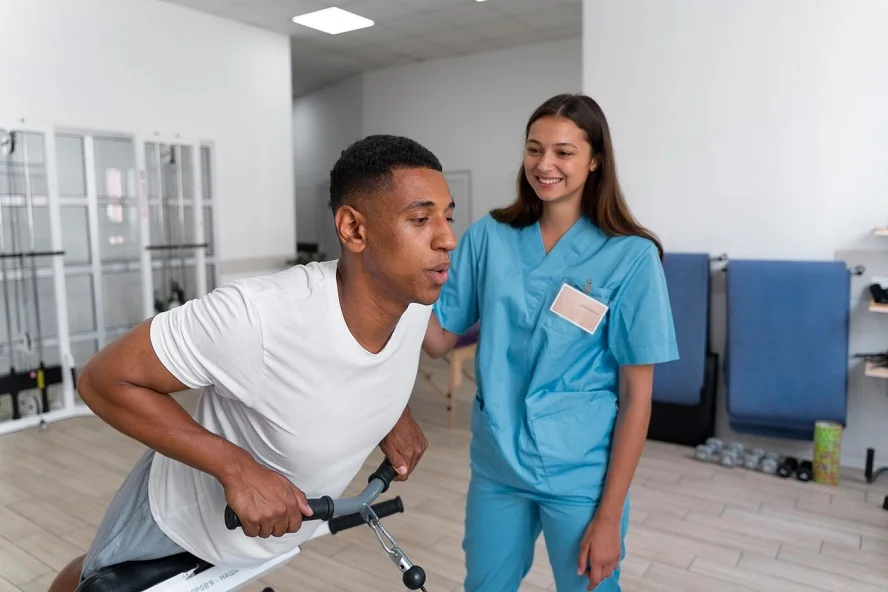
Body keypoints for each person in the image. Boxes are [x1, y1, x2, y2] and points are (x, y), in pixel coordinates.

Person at [49, 134, 457, 591]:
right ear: (354, 229)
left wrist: (390, 411)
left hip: (267, 539)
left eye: (448, 216)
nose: (447, 238)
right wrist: (237, 468)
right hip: (180, 521)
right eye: (421, 219)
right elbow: (102, 379)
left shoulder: (415, 300)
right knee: (92, 583)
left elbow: (350, 365)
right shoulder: (257, 317)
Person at [423, 94, 678, 592]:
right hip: (497, 464)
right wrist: (386, 273)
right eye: (534, 149)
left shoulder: (631, 257)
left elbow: (637, 400)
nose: (545, 165)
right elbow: (437, 340)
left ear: (595, 158)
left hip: (581, 475)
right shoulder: (488, 238)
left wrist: (608, 517)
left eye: (563, 152)